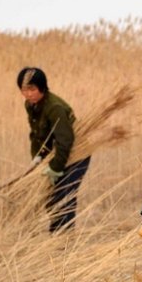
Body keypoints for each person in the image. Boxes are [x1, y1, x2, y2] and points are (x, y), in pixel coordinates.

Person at [17, 67, 91, 232]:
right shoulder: (31, 105)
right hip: (56, 153)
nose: (28, 94)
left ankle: (63, 242)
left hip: (76, 154)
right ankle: (56, 237)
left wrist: (55, 168)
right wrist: (37, 158)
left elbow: (66, 141)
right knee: (51, 198)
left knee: (63, 196)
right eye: (24, 90)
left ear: (41, 88)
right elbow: (37, 135)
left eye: (32, 89)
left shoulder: (54, 107)